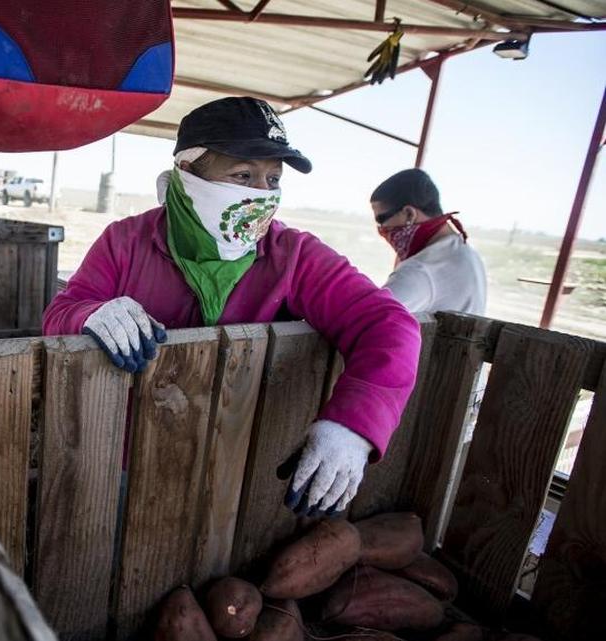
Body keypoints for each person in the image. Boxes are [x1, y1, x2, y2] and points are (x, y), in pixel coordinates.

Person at [43, 97, 421, 516]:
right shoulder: (125, 241)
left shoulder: (293, 256)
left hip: (229, 464)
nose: (262, 194)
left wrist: (352, 426)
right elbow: (60, 314)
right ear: (188, 174)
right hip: (120, 454)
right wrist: (91, 314)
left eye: (273, 178)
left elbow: (387, 324)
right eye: (243, 175)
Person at [372, 169, 487, 314]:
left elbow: (366, 320)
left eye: (381, 220)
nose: (382, 229)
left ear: (409, 214)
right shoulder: (465, 252)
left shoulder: (420, 271)